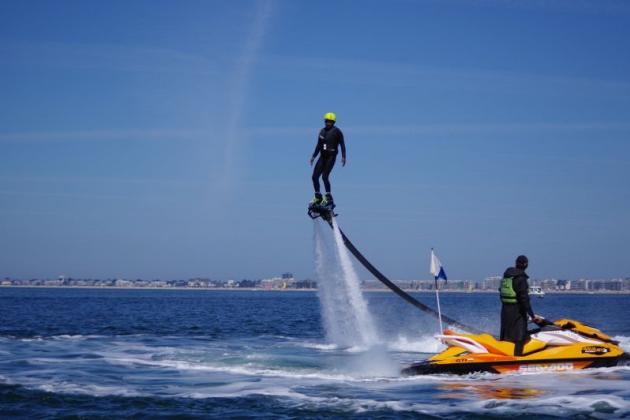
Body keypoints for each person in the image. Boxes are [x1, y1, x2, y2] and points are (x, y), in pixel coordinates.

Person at [499, 255, 544, 356]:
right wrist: (532, 316)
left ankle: (503, 355)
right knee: (520, 337)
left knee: (506, 336)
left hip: (505, 311)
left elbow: (501, 291)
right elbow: (524, 300)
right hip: (517, 312)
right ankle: (517, 360)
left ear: (516, 263)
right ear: (526, 265)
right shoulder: (521, 278)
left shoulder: (507, 276)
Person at [310, 112, 346, 208]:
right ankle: (318, 196)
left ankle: (329, 198)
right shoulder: (322, 131)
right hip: (322, 156)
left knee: (324, 176)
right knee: (314, 177)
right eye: (326, 121)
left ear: (333, 122)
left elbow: (342, 144)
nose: (327, 123)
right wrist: (313, 156)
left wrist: (343, 157)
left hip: (331, 157)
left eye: (330, 122)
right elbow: (318, 145)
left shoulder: (337, 132)